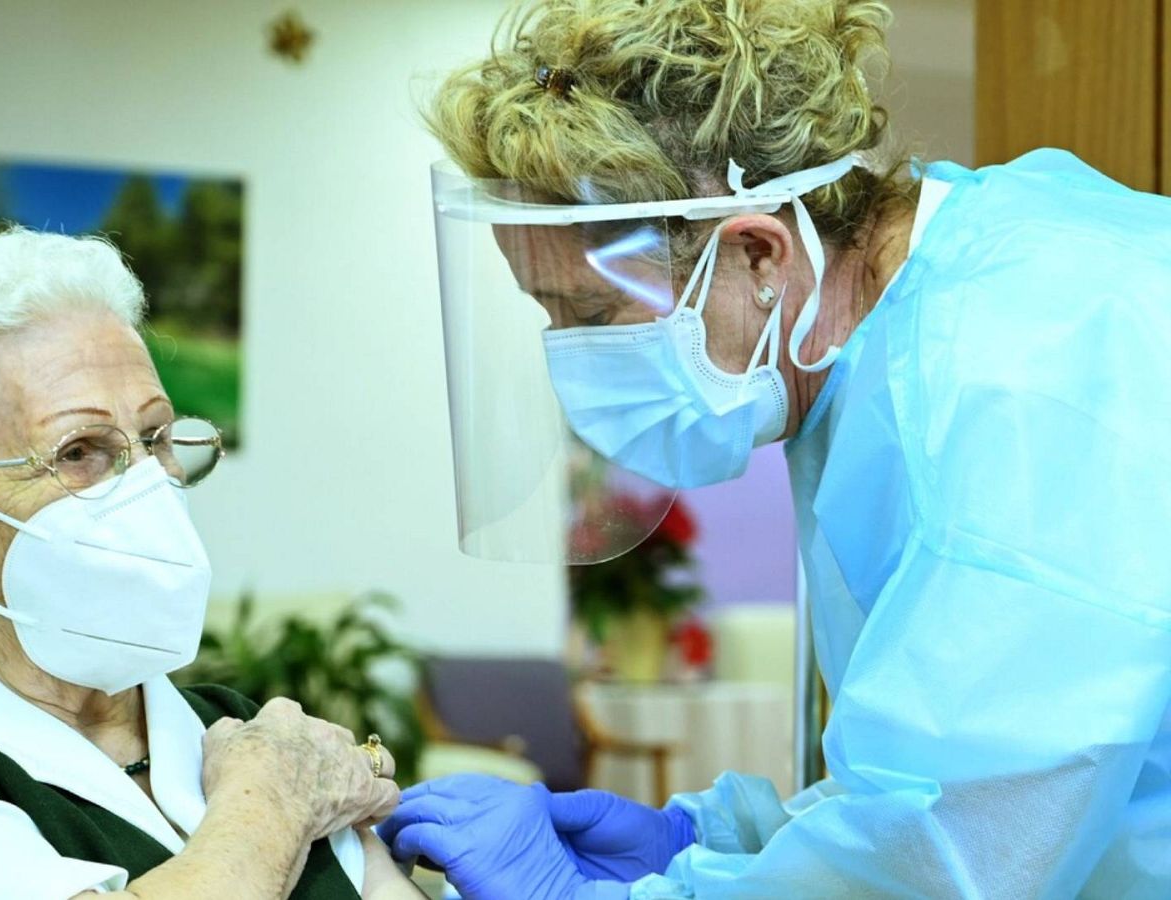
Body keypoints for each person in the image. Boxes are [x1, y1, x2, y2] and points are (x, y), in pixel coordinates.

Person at [381, 0, 1171, 896]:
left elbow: (955, 856)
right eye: (548, 316)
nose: (572, 362)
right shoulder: (869, 357)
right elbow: (940, 768)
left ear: (757, 255)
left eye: (593, 314)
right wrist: (720, 841)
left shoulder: (1023, 364)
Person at [0, 229, 424, 899]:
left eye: (154, 438)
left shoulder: (230, 730)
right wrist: (271, 808)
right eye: (80, 452)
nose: (149, 485)